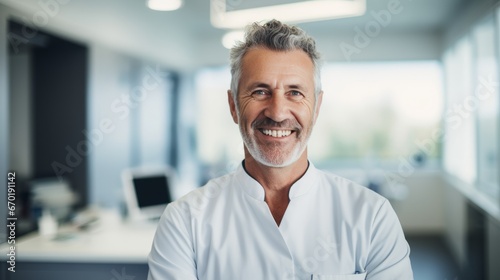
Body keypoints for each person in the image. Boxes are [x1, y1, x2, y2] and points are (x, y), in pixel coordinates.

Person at [148, 19, 413, 280]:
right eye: (260, 91)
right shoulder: (184, 221)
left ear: (317, 107)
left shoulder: (372, 216)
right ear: (233, 105)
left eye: (295, 92)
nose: (277, 112)